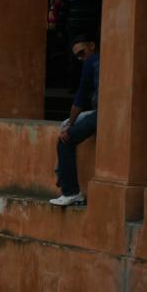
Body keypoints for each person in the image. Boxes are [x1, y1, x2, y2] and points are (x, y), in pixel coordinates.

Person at [49, 33, 99, 207]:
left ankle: (70, 191)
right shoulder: (96, 61)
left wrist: (70, 124)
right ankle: (63, 179)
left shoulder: (92, 62)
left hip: (102, 114)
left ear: (92, 46)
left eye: (82, 52)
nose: (80, 58)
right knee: (66, 129)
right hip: (101, 111)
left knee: (65, 138)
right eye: (77, 55)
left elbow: (80, 97)